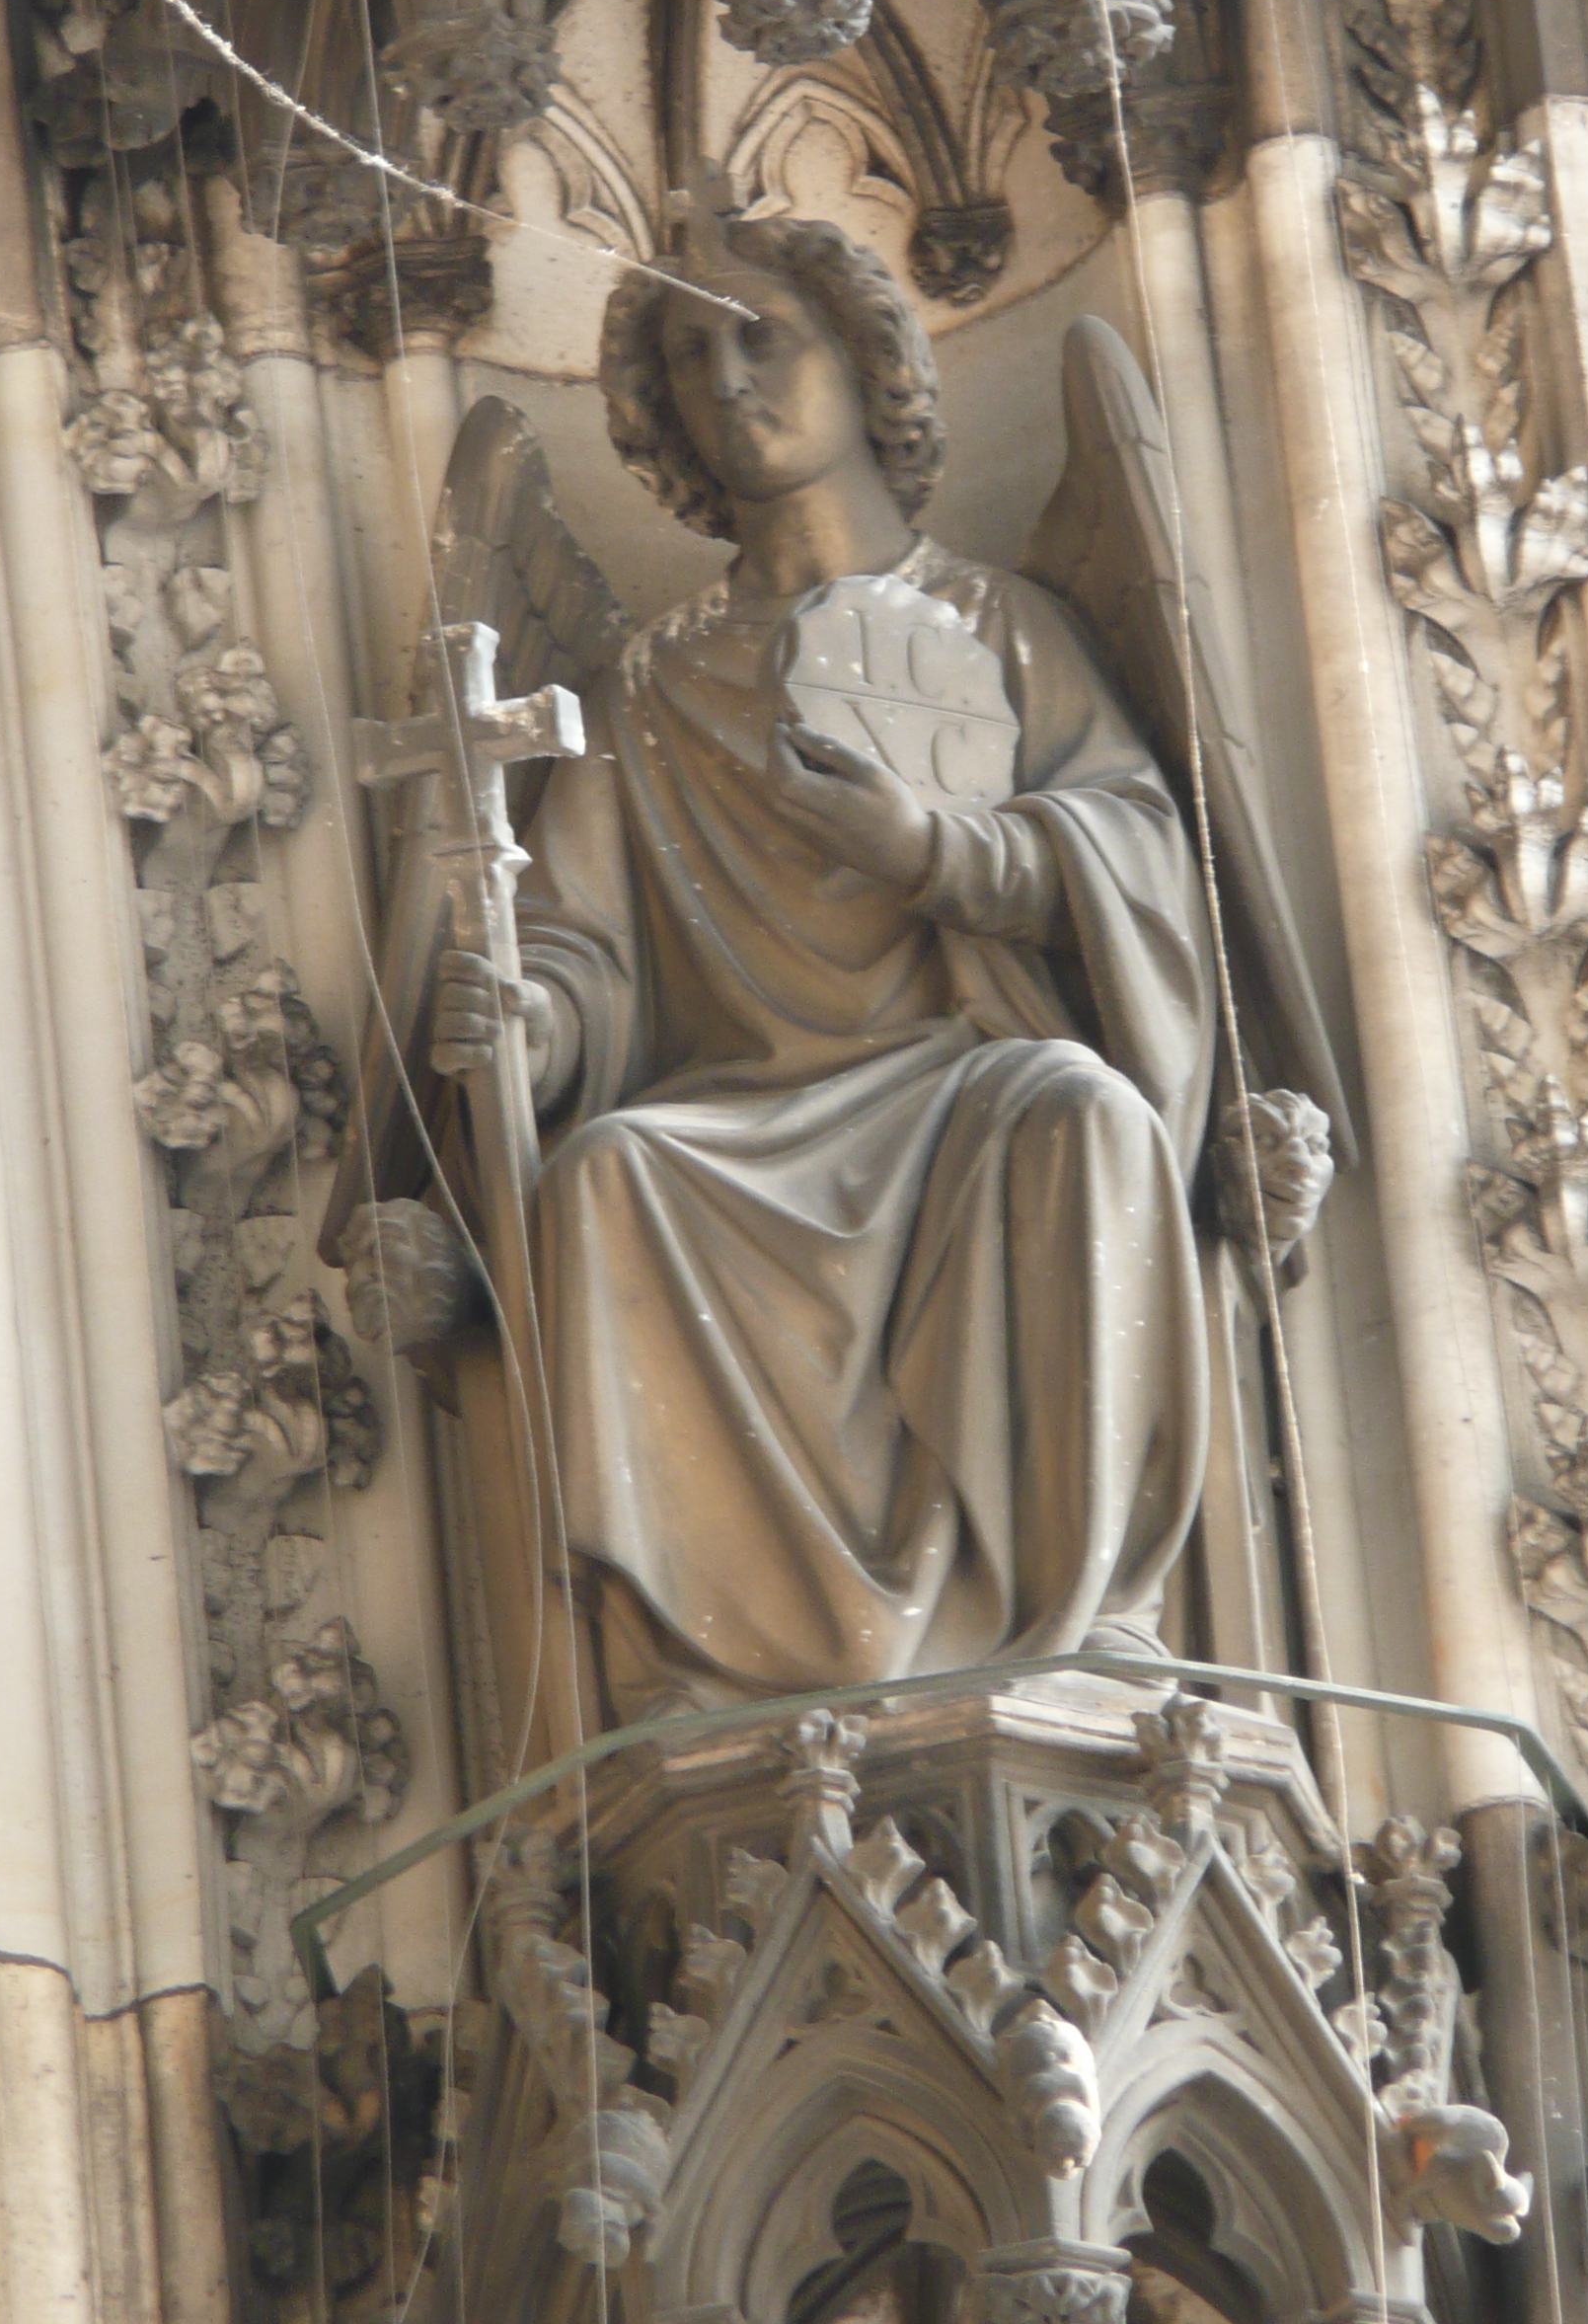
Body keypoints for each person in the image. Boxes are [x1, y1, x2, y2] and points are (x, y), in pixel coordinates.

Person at [430, 215, 1218, 1719]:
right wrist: (523, 1024)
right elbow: (582, 942)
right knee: (609, 1173)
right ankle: (708, 1664)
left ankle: (1074, 1614)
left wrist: (937, 851)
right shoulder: (653, 690)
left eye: (761, 335)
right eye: (686, 354)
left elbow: (1144, 866)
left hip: (964, 1089)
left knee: (1084, 1114)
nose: (726, 379)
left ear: (865, 364)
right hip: (750, 1116)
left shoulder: (1005, 627)